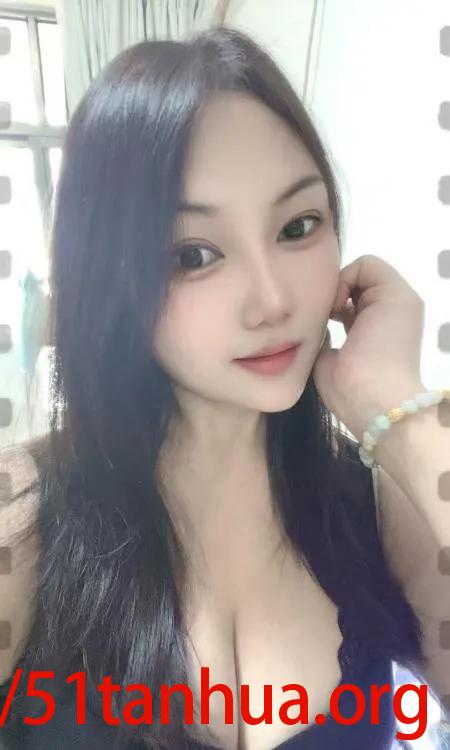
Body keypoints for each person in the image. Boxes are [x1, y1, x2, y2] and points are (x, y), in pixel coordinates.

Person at [0, 24, 438, 750]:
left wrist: (402, 410)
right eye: (194, 255)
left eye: (298, 226)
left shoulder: (377, 507)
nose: (273, 300)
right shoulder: (22, 517)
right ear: (111, 277)